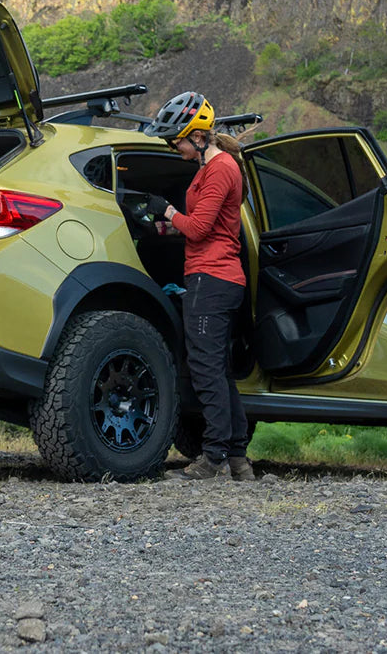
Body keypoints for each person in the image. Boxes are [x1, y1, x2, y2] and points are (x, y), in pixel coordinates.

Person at [142, 91, 254, 482]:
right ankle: (238, 460)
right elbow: (204, 226)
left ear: (199, 136)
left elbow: (202, 228)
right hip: (214, 277)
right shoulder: (209, 169)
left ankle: (212, 458)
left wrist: (168, 209)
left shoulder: (221, 169)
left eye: (178, 140)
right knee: (218, 370)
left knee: (205, 369)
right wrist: (163, 226)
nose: (175, 146)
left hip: (213, 279)